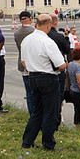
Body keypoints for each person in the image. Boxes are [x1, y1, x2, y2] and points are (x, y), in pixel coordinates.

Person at [21, 14, 68, 149]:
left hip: (32, 76)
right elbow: (60, 65)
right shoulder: (47, 42)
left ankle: (27, 141)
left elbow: (23, 61)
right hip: (48, 77)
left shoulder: (27, 40)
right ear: (49, 25)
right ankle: (48, 143)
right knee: (50, 112)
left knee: (37, 111)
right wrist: (65, 65)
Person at [48, 13, 71, 119]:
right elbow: (67, 50)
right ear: (55, 23)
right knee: (58, 95)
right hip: (58, 68)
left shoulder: (43, 36)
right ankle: (57, 118)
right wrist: (66, 37)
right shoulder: (58, 36)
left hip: (44, 69)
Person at [14, 10, 35, 114]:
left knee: (28, 91)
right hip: (34, 64)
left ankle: (31, 113)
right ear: (30, 19)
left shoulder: (17, 33)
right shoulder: (34, 31)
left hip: (23, 63)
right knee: (36, 91)